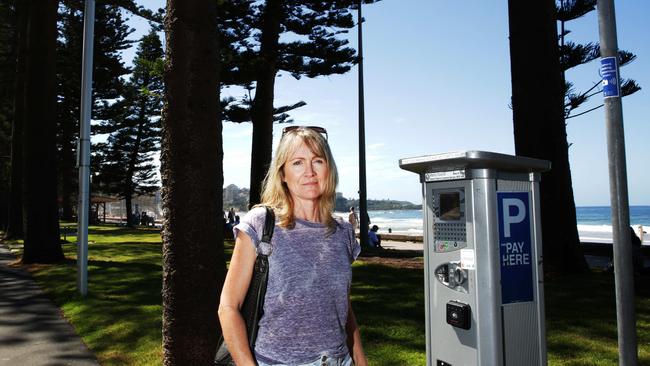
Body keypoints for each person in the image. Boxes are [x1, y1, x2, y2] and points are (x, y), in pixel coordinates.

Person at [219, 126, 367, 366]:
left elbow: (341, 307)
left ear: (329, 168)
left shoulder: (343, 232)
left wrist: (361, 361)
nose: (309, 171)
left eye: (317, 161)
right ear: (283, 174)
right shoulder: (260, 224)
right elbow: (228, 307)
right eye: (297, 162)